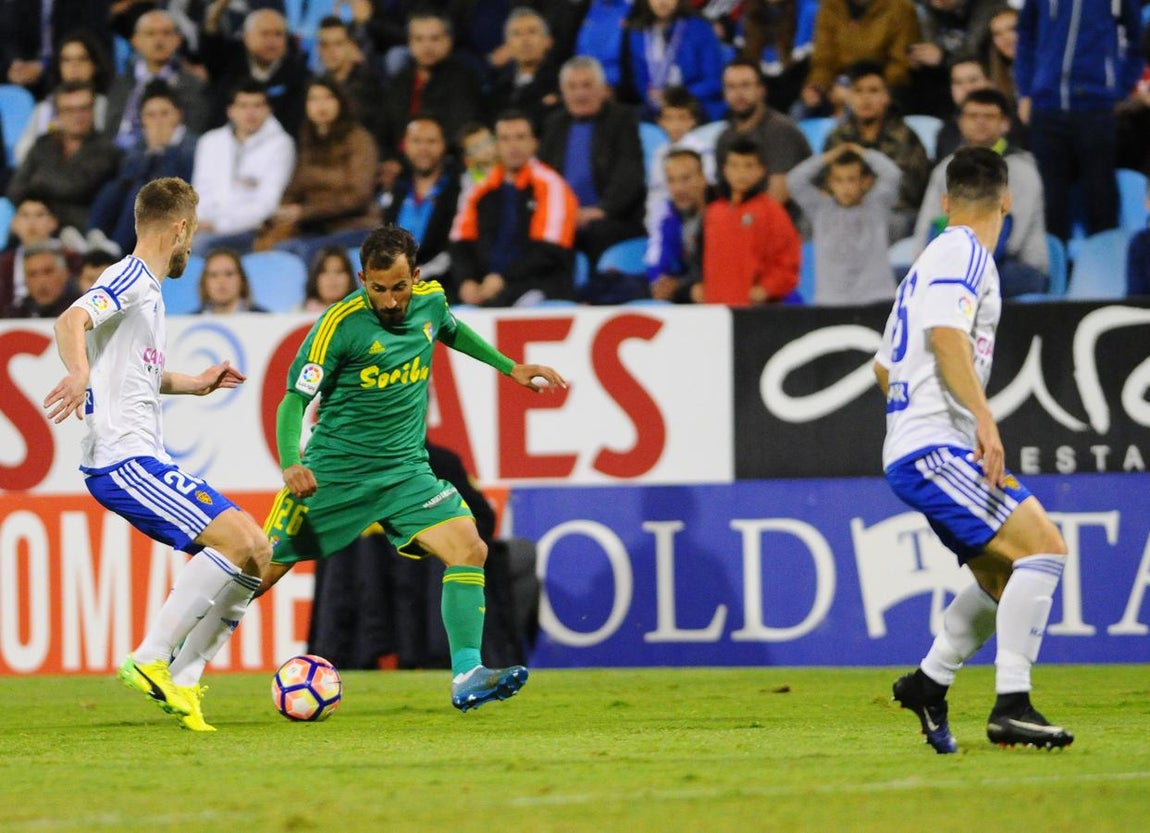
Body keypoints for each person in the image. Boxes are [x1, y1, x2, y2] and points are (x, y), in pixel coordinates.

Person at [260, 223, 566, 713]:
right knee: (256, 571)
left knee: (469, 546)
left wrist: (511, 367)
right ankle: (172, 653)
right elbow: (294, 399)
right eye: (377, 289)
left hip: (404, 471)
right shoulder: (338, 325)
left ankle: (467, 673)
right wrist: (291, 461)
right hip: (336, 474)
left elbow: (450, 329)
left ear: (416, 277)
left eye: (399, 287)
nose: (388, 300)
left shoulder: (431, 301)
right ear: (362, 279)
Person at [42, 177, 272, 732]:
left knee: (258, 550)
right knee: (238, 540)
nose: (190, 245)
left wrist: (193, 383)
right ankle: (151, 658)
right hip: (122, 461)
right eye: (191, 234)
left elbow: (136, 373)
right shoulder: (130, 278)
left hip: (146, 457)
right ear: (180, 228)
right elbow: (71, 319)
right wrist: (77, 371)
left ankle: (186, 678)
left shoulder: (149, 293)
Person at [875, 146, 1073, 753]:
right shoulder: (965, 252)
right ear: (1007, 200)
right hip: (936, 450)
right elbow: (945, 336)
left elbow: (883, 367)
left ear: (944, 200)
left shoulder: (925, 261)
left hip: (923, 447)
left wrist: (921, 420)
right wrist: (980, 423)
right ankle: (1012, 705)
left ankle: (928, 684)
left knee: (1000, 577)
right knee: (1045, 548)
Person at [1014, 0, 1142, 241]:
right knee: (1049, 201)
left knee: (1101, 199)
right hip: (1046, 106)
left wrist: (1118, 88)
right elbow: (1026, 35)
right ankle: (1052, 271)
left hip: (1095, 109)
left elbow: (1136, 42)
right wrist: (1026, 90)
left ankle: (1105, 269)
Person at [913, 88, 1048, 297]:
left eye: (989, 116)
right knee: (899, 280)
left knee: (954, 285)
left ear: (1005, 123)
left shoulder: (1020, 169)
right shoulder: (946, 169)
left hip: (1016, 267)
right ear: (960, 122)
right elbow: (928, 224)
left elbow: (1012, 239)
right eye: (973, 116)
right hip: (955, 265)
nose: (980, 122)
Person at [451, 110, 579, 307]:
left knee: (526, 306)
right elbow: (461, 242)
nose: (513, 146)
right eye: (505, 139)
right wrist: (466, 281)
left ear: (534, 143)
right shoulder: (480, 189)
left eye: (520, 137)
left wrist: (503, 278)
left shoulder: (550, 185)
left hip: (538, 286)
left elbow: (550, 252)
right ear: (496, 145)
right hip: (487, 287)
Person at [538, 56, 647, 264]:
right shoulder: (554, 124)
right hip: (564, 217)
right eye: (573, 87)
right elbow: (545, 175)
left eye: (587, 85)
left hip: (612, 217)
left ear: (602, 89)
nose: (580, 93)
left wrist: (601, 210)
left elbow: (630, 173)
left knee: (596, 234)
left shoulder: (622, 119)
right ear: (563, 92)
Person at [264, 78, 379, 266]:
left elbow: (359, 196)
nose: (321, 106)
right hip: (315, 227)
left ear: (340, 102)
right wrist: (281, 213)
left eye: (328, 98)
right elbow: (295, 188)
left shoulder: (359, 139)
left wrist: (304, 212)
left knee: (306, 251)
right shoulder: (307, 139)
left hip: (355, 226)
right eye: (313, 99)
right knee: (276, 247)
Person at [823, 61, 932, 242]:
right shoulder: (837, 137)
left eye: (873, 91)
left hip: (893, 214)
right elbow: (825, 184)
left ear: (886, 97)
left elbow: (907, 191)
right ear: (849, 97)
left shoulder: (904, 137)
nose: (865, 99)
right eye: (858, 91)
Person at [88, 81, 199, 257]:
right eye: (151, 115)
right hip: (146, 200)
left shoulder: (191, 145)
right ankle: (94, 235)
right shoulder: (140, 145)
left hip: (175, 205)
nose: (158, 121)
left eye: (164, 114)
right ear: (142, 119)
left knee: (141, 193)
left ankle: (117, 249)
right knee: (113, 188)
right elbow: (126, 176)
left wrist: (165, 150)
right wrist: (151, 153)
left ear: (178, 115)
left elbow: (178, 182)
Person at [786, 142, 901, 305]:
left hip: (877, 298)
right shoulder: (820, 209)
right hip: (831, 302)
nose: (845, 187)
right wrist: (827, 157)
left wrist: (863, 153)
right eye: (838, 180)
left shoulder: (877, 206)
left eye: (851, 179)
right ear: (830, 183)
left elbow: (893, 174)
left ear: (865, 182)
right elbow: (794, 180)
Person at [191, 82, 296, 255]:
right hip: (205, 226)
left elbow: (266, 205)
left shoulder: (281, 144)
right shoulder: (210, 142)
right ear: (230, 111)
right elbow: (200, 192)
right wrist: (200, 223)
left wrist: (218, 226)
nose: (250, 113)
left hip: (251, 230)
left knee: (199, 246)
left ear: (269, 110)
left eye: (257, 105)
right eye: (243, 106)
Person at [7, 82, 122, 233]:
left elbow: (75, 188)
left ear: (93, 110)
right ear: (57, 114)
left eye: (84, 109)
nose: (77, 116)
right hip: (37, 227)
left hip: (78, 230)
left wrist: (37, 185)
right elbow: (15, 189)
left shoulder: (107, 150)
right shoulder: (43, 144)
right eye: (69, 110)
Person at [698, 136, 801, 305]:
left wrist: (767, 288)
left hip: (756, 310)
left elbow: (788, 259)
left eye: (748, 165)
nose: (741, 173)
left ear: (761, 170)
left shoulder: (772, 211)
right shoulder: (713, 211)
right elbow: (698, 255)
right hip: (715, 309)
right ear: (724, 169)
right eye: (735, 165)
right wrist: (697, 283)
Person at [713, 59, 812, 222]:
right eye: (731, 87)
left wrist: (741, 225)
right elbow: (725, 194)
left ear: (761, 90)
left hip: (789, 225)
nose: (738, 94)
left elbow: (778, 196)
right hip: (746, 222)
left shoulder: (780, 130)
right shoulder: (725, 138)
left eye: (745, 86)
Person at [105, 10, 210, 150]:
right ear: (135, 41)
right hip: (118, 157)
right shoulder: (121, 83)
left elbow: (195, 128)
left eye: (166, 33)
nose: (159, 40)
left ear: (177, 40)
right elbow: (110, 128)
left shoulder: (194, 85)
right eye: (150, 34)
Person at [380, 115, 461, 286]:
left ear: (444, 145)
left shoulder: (458, 190)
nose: (423, 148)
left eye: (431, 141)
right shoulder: (396, 191)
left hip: (443, 287)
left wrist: (415, 277)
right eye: (416, 141)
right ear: (405, 145)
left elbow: (455, 248)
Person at [13, 30, 113, 165]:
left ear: (95, 66)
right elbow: (21, 152)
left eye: (82, 59)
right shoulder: (44, 108)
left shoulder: (107, 106)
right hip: (42, 176)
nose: (74, 66)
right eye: (66, 60)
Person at [622, 0, 727, 122]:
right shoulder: (638, 34)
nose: (662, 2)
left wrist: (676, 98)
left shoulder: (700, 28)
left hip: (696, 107)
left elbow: (714, 81)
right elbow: (640, 82)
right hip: (656, 111)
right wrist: (651, 97)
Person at [646, 147, 713, 303]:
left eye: (685, 179)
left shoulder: (722, 214)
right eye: (671, 180)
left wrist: (679, 285)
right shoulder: (669, 216)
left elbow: (718, 269)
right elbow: (659, 259)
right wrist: (660, 282)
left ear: (703, 179)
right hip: (684, 289)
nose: (678, 188)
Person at [4, 243, 81, 318]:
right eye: (32, 274)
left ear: (65, 274)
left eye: (48, 272)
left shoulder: (83, 310)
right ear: (25, 280)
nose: (41, 281)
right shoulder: (14, 316)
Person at [194, 248, 268, 314]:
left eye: (229, 274)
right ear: (204, 283)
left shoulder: (265, 319)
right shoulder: (189, 322)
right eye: (214, 275)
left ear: (241, 280)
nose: (221, 281)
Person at [301, 245, 358, 313]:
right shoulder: (298, 313)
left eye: (339, 271)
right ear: (315, 277)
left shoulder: (362, 313)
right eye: (324, 272)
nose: (332, 279)